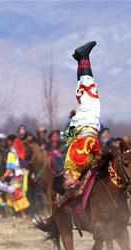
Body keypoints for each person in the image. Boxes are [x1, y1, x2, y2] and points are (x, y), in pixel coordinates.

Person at [54, 41, 104, 206]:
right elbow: (68, 140)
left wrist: (99, 155)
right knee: (84, 93)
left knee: (91, 94)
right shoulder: (70, 167)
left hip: (87, 125)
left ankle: (83, 56)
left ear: (65, 177)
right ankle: (80, 59)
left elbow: (90, 142)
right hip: (79, 126)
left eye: (68, 184)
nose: (72, 186)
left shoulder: (77, 163)